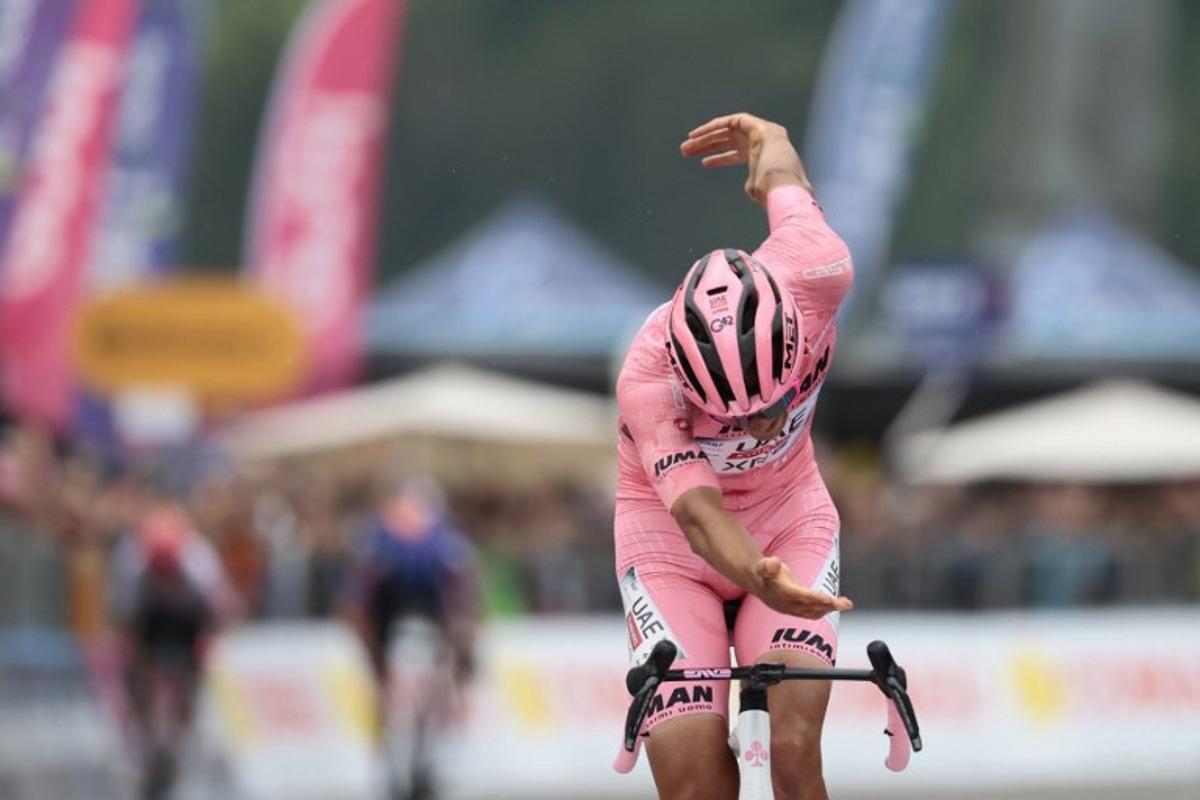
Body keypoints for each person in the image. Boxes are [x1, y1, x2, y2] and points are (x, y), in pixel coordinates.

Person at [614, 112, 855, 800]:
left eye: (766, 402)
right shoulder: (647, 377)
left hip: (789, 517)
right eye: (730, 413)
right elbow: (696, 514)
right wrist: (758, 576)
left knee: (792, 748)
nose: (753, 424)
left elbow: (782, 176)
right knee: (693, 786)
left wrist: (768, 138)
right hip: (671, 544)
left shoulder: (818, 266)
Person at [340, 477, 481, 800]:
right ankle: (413, 774)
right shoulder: (443, 545)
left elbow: (357, 605)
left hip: (403, 640)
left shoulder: (381, 544)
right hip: (417, 638)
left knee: (405, 714)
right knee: (420, 714)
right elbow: (463, 601)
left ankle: (405, 775)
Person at [108, 501, 238, 799]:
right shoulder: (141, 582)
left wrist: (202, 651)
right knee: (143, 693)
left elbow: (213, 619)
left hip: (181, 651)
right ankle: (149, 748)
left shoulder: (194, 581)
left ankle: (177, 743)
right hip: (154, 652)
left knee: (184, 698)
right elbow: (131, 629)